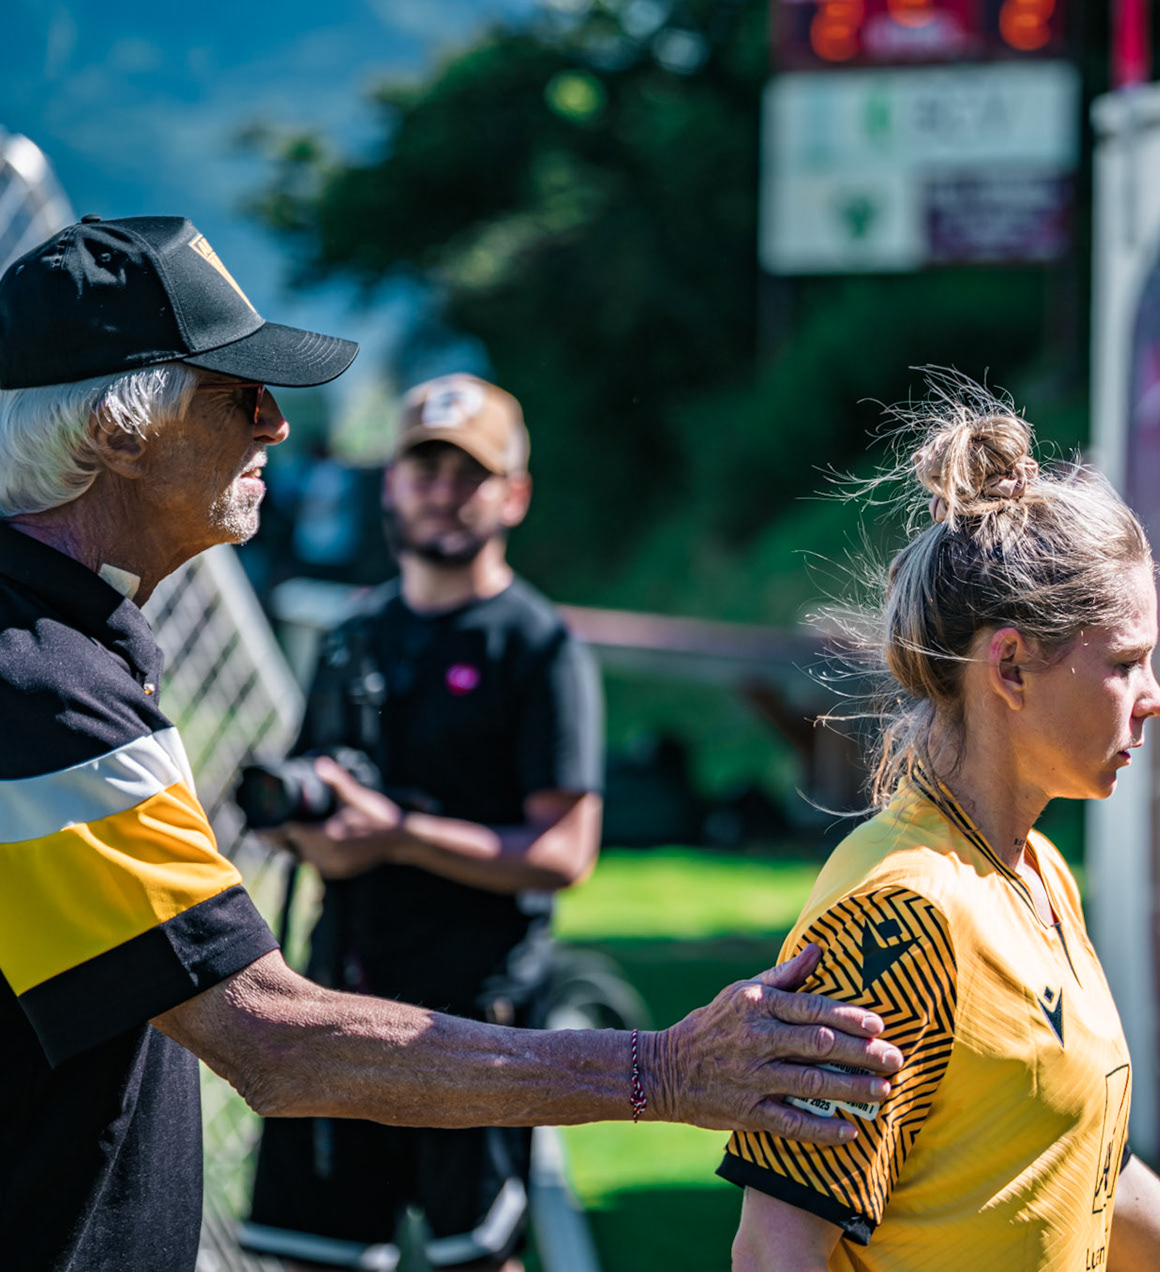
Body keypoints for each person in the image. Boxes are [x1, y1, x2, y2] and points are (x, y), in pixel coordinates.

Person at [0, 215, 902, 1272]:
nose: (277, 427)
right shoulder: (43, 682)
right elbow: (267, 1034)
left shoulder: (62, 648)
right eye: (238, 393)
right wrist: (662, 1068)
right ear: (117, 432)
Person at [724, 384, 1160, 1271]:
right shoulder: (900, 916)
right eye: (1124, 662)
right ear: (1010, 666)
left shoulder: (1036, 870)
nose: (1155, 698)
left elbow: (1076, 1157)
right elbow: (775, 1247)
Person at [242, 373, 603, 1270]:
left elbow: (565, 851)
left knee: (473, 1260)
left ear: (513, 494)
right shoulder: (352, 634)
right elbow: (300, 805)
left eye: (467, 474)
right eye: (422, 469)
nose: (442, 491)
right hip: (333, 1002)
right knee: (305, 1257)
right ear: (391, 483)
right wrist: (313, 835)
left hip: (474, 1018)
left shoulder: (538, 645)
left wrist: (400, 835)